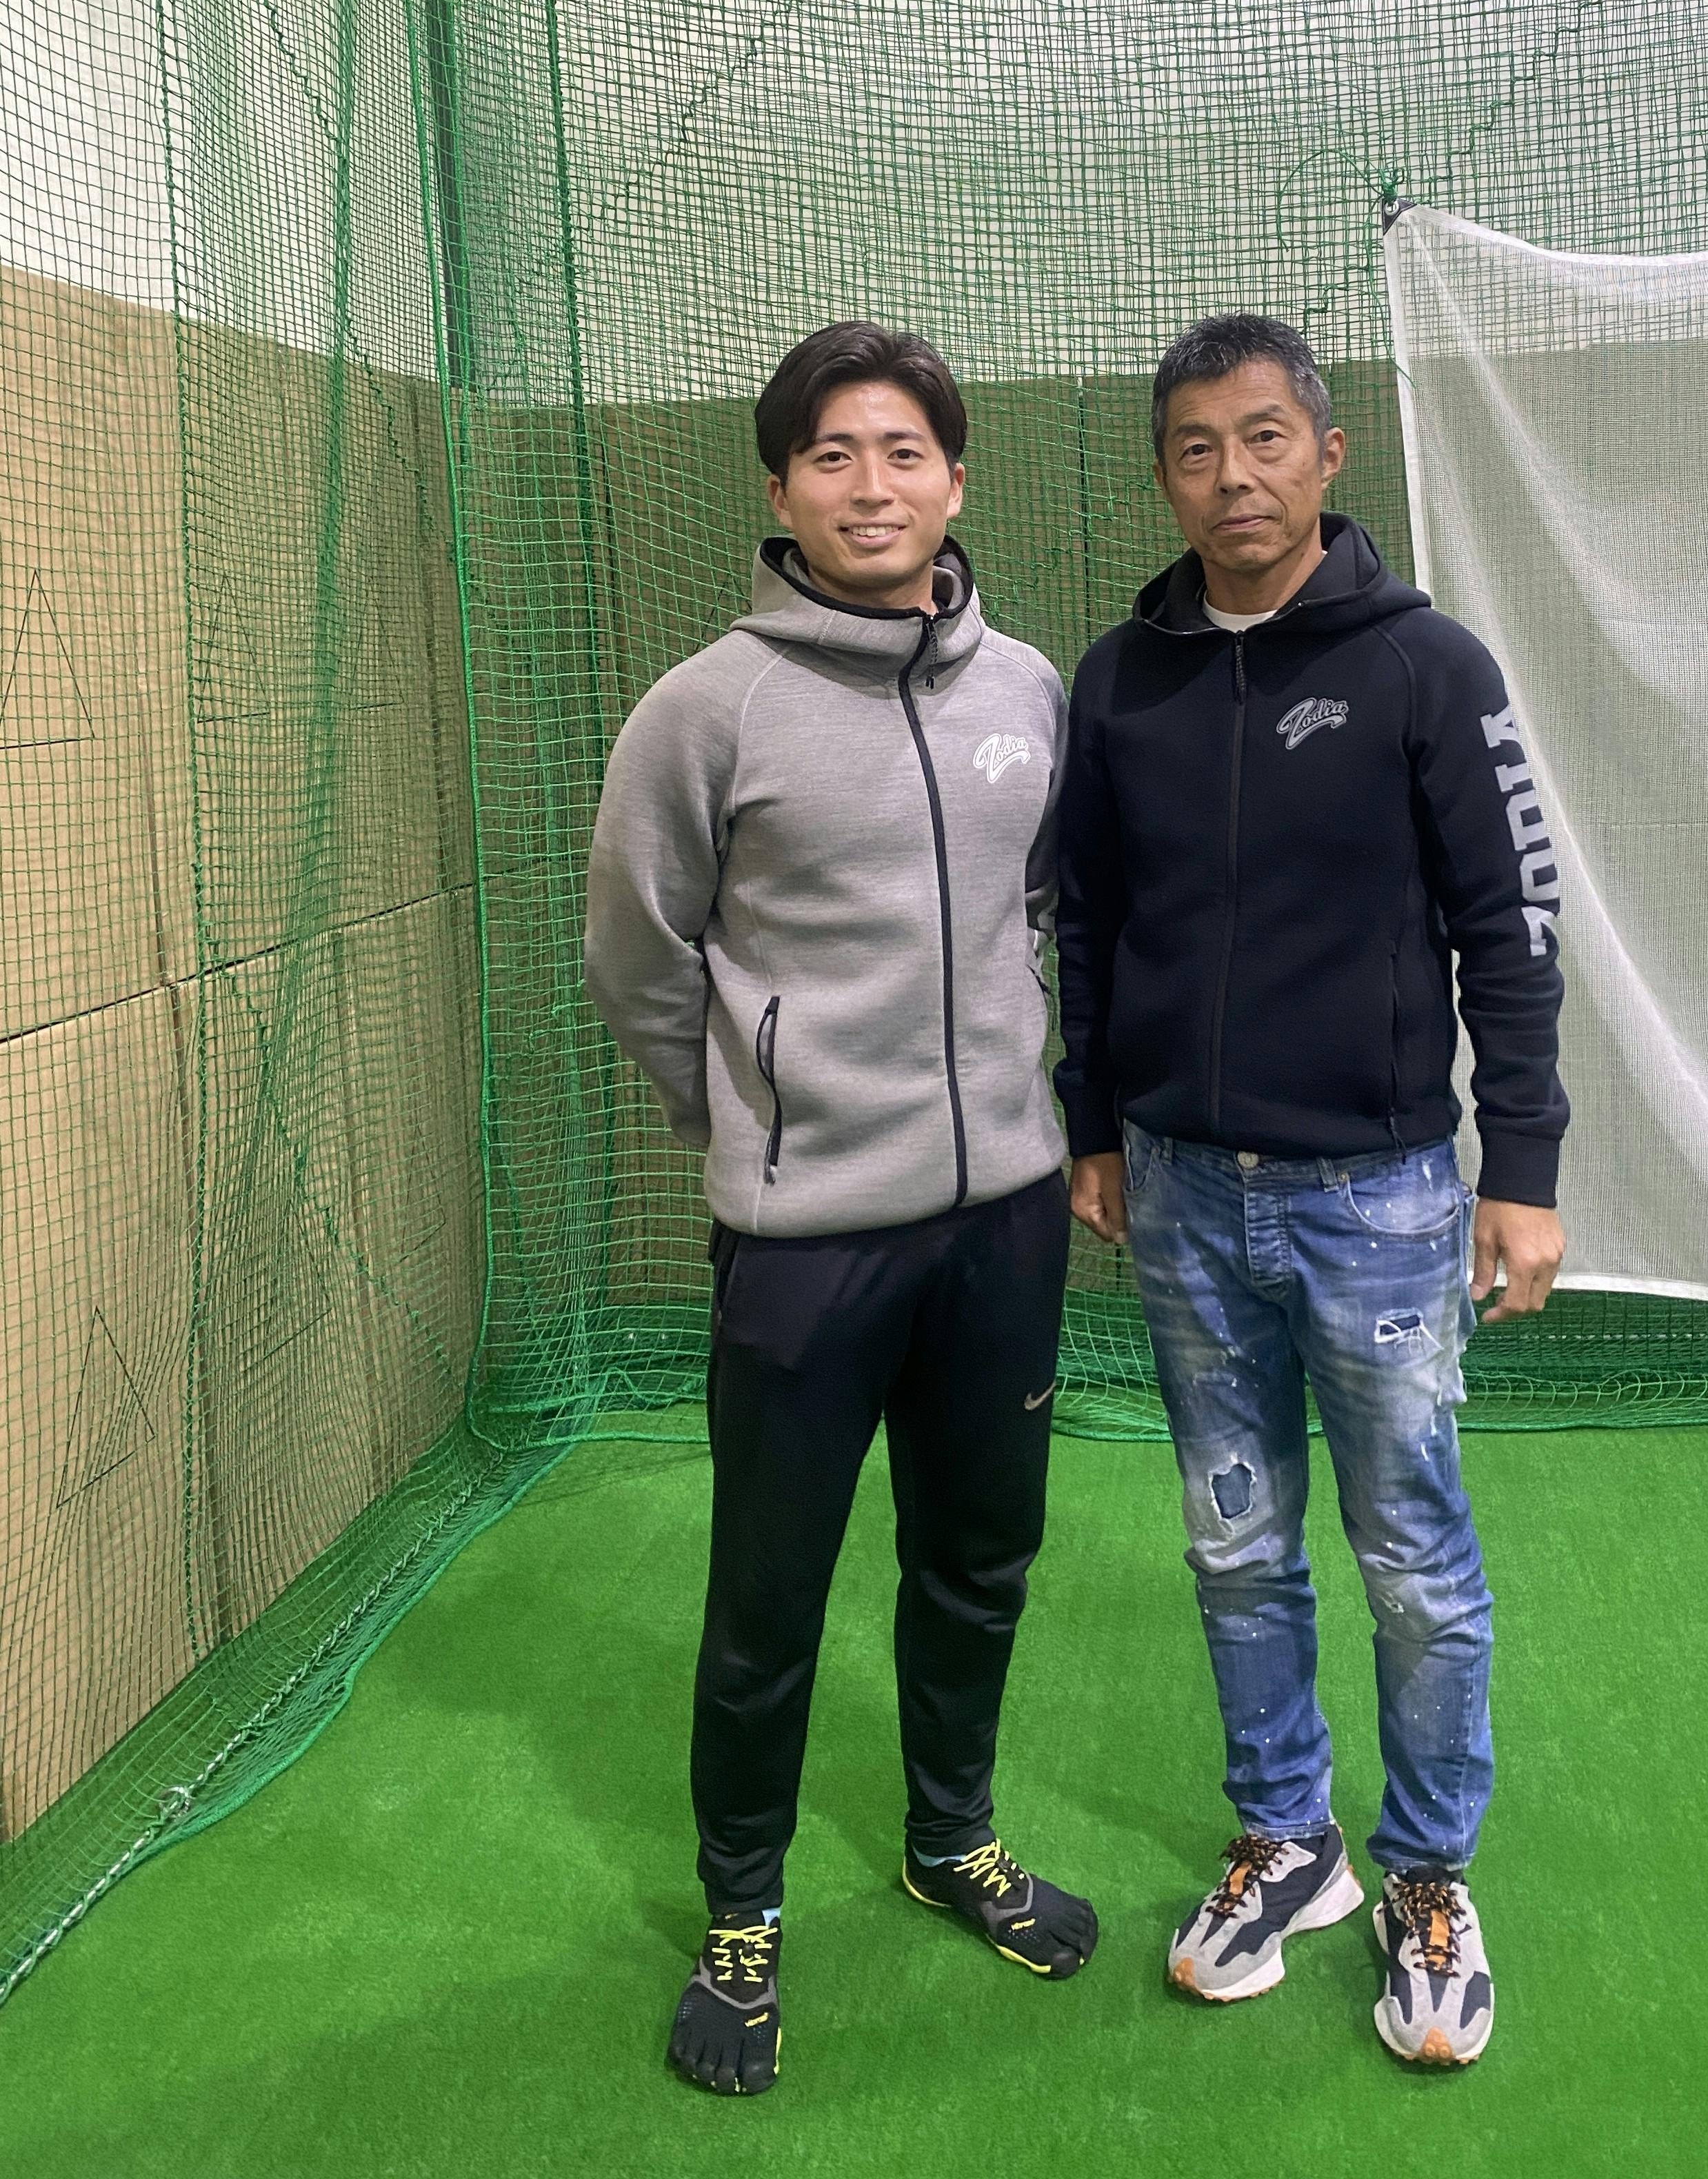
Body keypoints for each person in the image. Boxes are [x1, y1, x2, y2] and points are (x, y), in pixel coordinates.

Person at [584, 321, 1098, 2098]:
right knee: (769, 1595)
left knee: (980, 1559)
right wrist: (752, 1127)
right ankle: (743, 1914)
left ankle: (951, 1839)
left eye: (902, 453)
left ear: (956, 478)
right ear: (781, 487)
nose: (869, 488)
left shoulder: (1029, 690)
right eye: (830, 456)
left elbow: (1049, 912)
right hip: (804, 1244)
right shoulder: (705, 709)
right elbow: (639, 957)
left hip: (1004, 1222)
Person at [1053, 311, 1566, 2069]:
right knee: (1236, 1541)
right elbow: (1089, 927)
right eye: (1196, 449)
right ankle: (1291, 1839)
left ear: (1327, 456)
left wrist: (1525, 1170)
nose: (1234, 477)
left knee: (1411, 1556)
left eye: (1264, 438)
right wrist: (1095, 1127)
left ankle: (1427, 1874)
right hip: (1184, 1197)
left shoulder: (1430, 667)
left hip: (1385, 1205)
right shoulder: (1119, 683)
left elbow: (1511, 929)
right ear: (1165, 475)